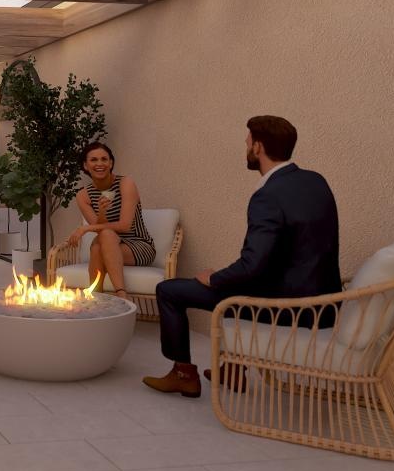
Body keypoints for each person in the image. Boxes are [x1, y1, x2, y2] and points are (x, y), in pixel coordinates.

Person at [144, 115, 341, 398]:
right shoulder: (315, 181)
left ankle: (183, 374)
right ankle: (232, 370)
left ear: (258, 147)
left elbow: (252, 266)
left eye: (247, 142)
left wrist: (214, 278)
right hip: (322, 304)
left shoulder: (268, 196)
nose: (246, 147)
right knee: (233, 281)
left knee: (169, 290)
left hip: (285, 308)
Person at [64, 142, 154, 294]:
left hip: (139, 245)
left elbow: (125, 226)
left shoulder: (125, 184)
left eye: (104, 159)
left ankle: (109, 294)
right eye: (93, 160)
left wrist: (85, 228)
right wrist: (101, 213)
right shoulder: (83, 195)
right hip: (109, 243)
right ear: (85, 165)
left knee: (101, 241)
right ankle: (103, 297)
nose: (100, 164)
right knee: (102, 240)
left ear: (111, 163)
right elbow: (101, 230)